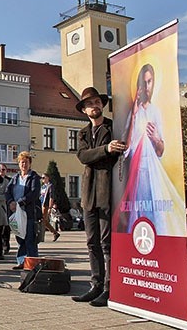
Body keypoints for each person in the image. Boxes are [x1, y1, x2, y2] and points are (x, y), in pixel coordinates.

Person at [116, 64, 184, 235]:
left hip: (152, 173)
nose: (146, 87)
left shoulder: (156, 112)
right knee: (137, 214)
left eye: (149, 81)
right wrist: (133, 115)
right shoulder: (134, 113)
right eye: (143, 82)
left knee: (154, 213)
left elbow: (161, 151)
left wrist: (155, 139)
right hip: (136, 172)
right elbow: (126, 147)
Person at [72, 86, 125, 307]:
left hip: (107, 191)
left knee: (106, 243)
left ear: (102, 105)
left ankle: (109, 288)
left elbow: (116, 154)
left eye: (97, 102)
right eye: (89, 104)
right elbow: (83, 156)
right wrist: (105, 150)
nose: (94, 106)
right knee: (91, 242)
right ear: (84, 110)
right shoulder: (83, 133)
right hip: (88, 193)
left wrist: (108, 150)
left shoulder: (113, 127)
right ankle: (95, 285)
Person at [6, 151, 41, 269]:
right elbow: (8, 191)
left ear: (30, 164)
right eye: (22, 162)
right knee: (20, 238)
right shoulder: (15, 177)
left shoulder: (34, 177)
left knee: (30, 238)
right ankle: (21, 261)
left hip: (28, 212)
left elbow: (34, 193)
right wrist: (10, 201)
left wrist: (20, 202)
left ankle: (32, 263)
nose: (24, 165)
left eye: (26, 162)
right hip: (16, 213)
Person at [40, 173, 60, 242]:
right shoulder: (43, 186)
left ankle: (53, 233)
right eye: (42, 178)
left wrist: (50, 207)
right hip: (41, 204)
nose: (42, 179)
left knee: (43, 220)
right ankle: (55, 233)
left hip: (46, 205)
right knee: (43, 221)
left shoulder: (50, 186)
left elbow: (51, 197)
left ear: (48, 178)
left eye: (44, 177)